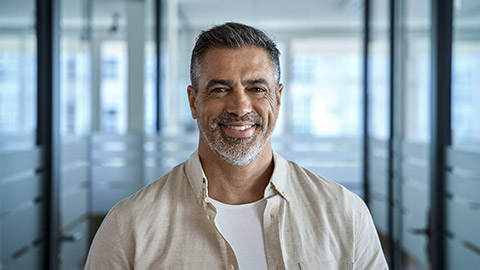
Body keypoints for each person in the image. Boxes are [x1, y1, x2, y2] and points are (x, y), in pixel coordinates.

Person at [85, 22, 388, 270]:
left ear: (278, 99)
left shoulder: (344, 213)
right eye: (220, 89)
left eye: (257, 88)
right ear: (193, 101)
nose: (241, 106)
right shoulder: (129, 227)